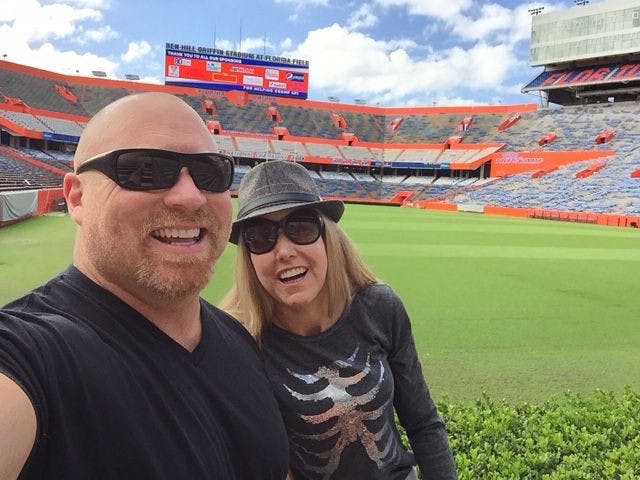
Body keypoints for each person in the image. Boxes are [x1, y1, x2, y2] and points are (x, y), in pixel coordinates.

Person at [0, 92, 289, 479]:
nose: (190, 196)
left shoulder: (237, 338)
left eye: (210, 172)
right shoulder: (31, 355)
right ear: (77, 198)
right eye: (146, 170)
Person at [220, 160, 457, 480]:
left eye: (300, 227)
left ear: (327, 236)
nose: (284, 251)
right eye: (261, 236)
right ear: (248, 257)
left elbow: (423, 423)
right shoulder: (241, 340)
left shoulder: (379, 307)